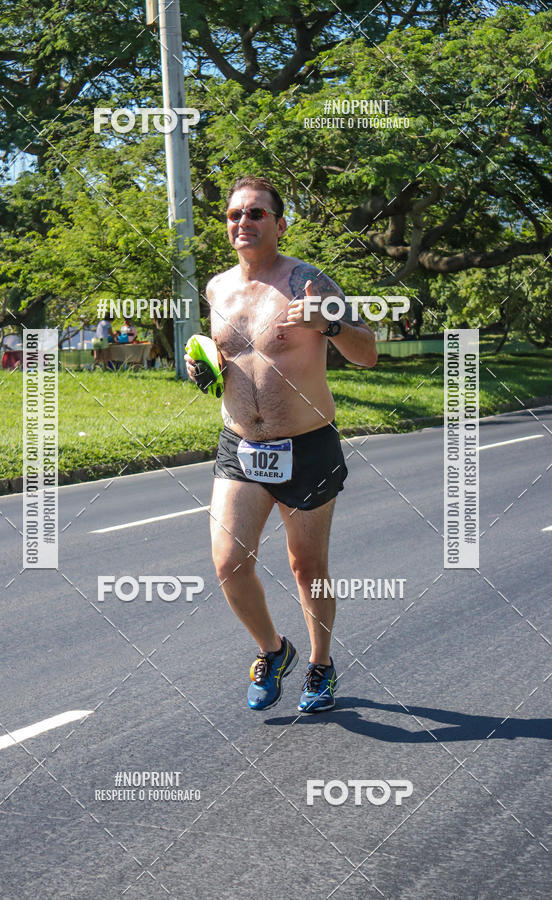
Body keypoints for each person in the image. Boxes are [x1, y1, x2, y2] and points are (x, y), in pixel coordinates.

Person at [185, 175, 377, 714]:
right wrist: (202, 365)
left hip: (307, 446)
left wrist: (330, 325)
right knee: (228, 563)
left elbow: (368, 353)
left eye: (255, 214)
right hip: (240, 446)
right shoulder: (218, 288)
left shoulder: (310, 282)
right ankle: (274, 650)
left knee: (306, 566)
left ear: (280, 223)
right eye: (233, 215)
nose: (242, 222)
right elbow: (229, 355)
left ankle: (320, 665)